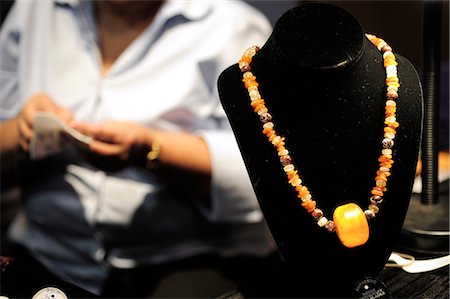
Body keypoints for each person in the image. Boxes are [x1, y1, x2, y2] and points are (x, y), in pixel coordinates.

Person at [0, 0, 277, 297]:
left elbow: (267, 179)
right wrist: (23, 129)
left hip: (185, 260)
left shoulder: (232, 26)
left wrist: (150, 150)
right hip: (48, 251)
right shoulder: (36, 9)